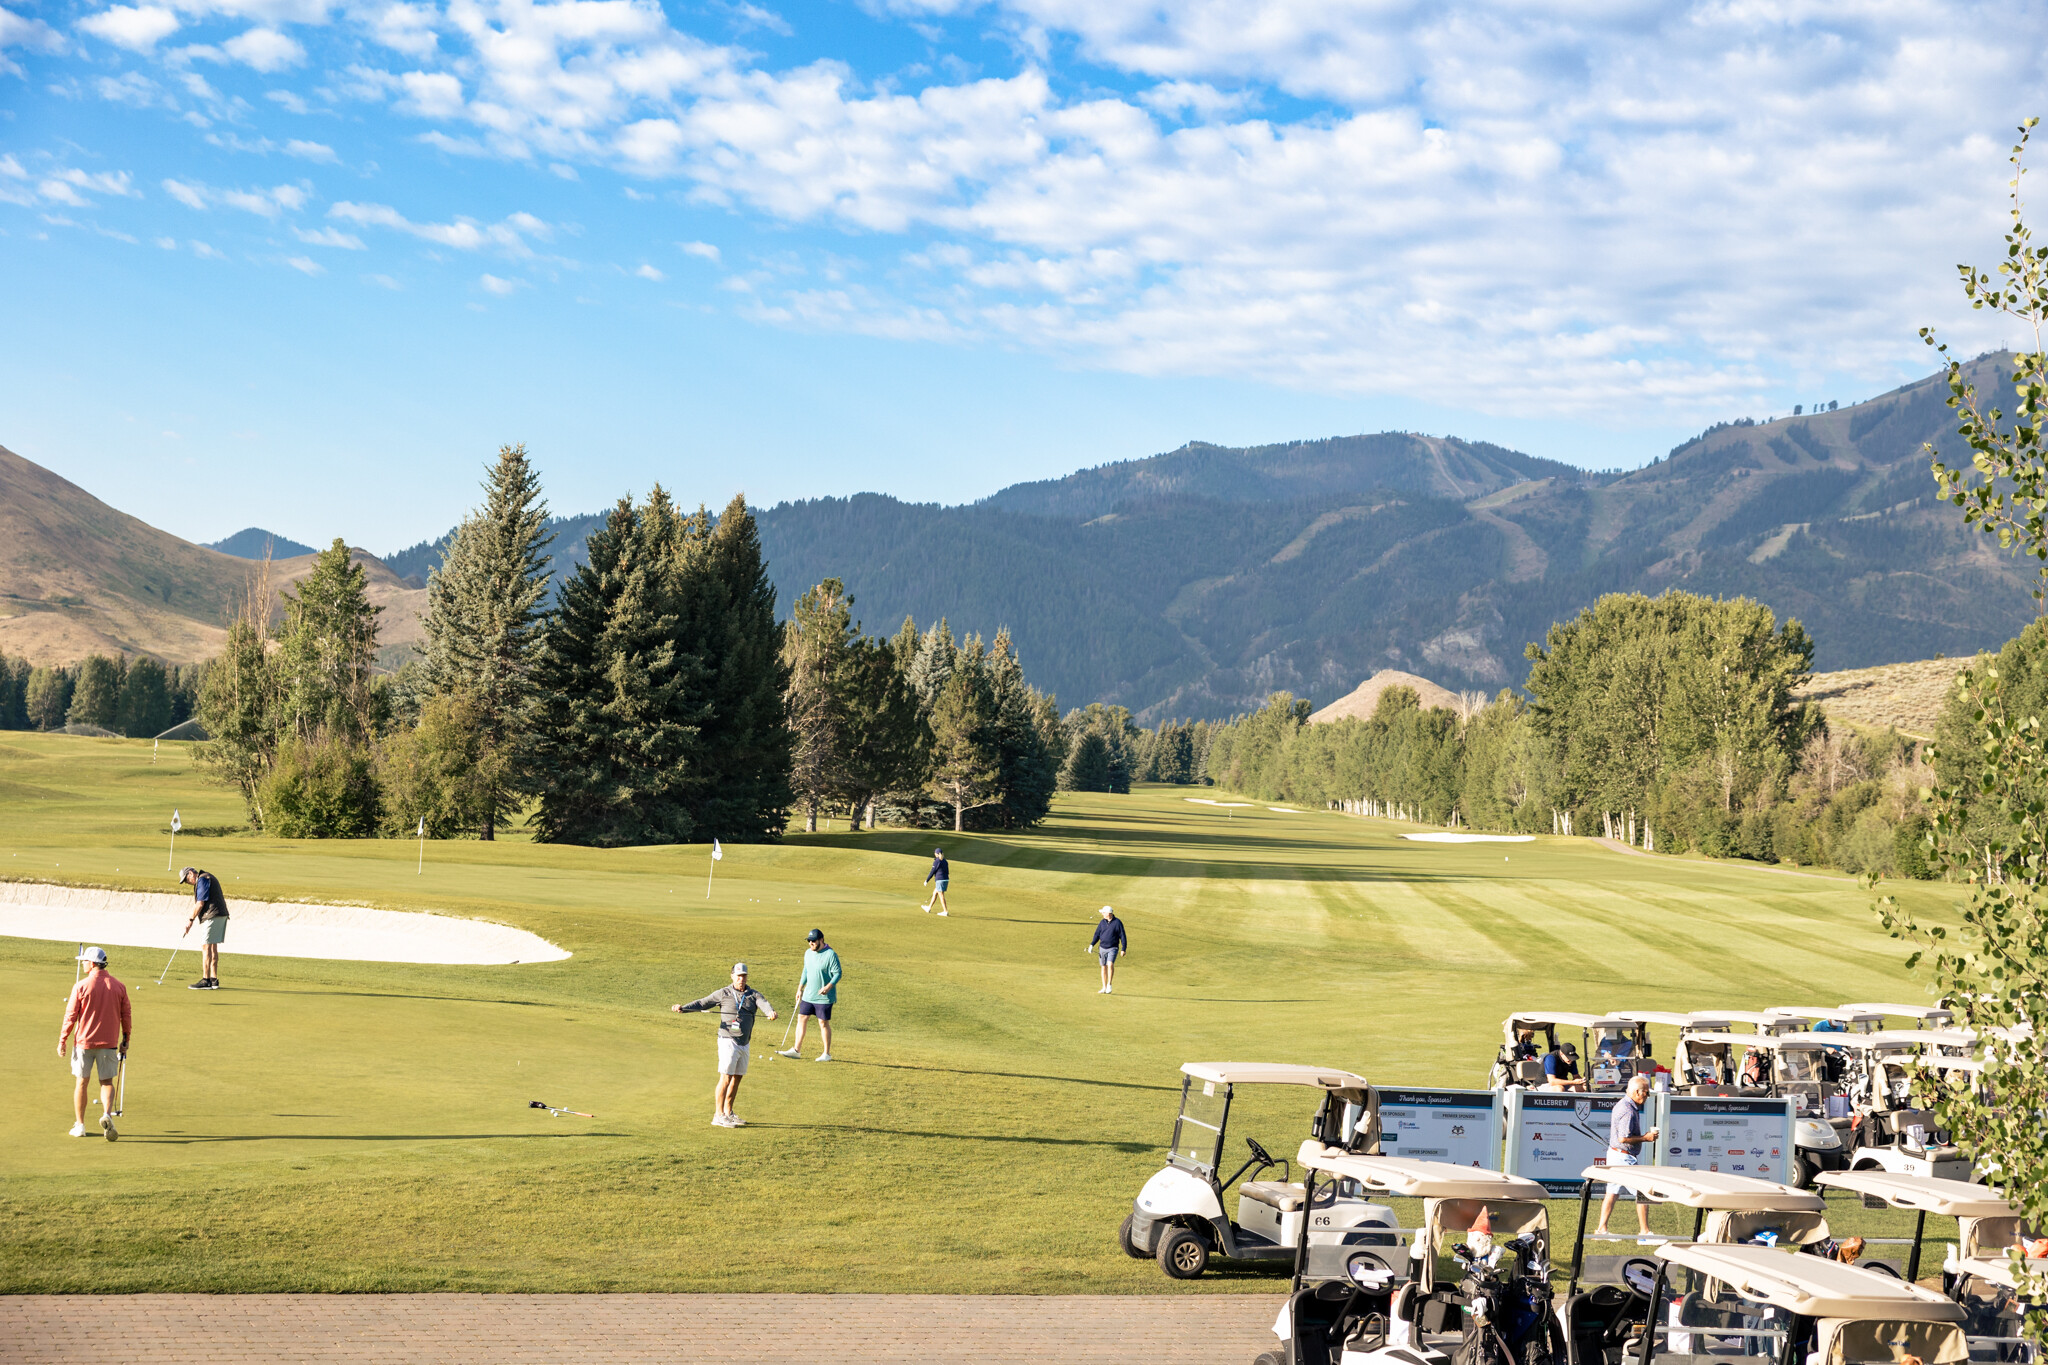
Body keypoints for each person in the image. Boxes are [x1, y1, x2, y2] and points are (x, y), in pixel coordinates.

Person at [672, 964, 777, 1127]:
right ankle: (718, 1115)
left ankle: (728, 1112)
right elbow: (702, 1003)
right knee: (726, 1077)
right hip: (728, 1040)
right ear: (732, 976)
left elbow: (764, 1004)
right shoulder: (724, 993)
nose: (741, 979)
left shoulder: (753, 994)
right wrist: (684, 1008)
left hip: (744, 1042)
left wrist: (770, 1012)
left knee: (737, 1077)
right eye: (738, 976)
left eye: (744, 976)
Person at [58, 947, 130, 1140]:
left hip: (84, 1043)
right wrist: (126, 1039)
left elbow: (71, 1016)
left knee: (81, 1082)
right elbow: (126, 1015)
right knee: (106, 1082)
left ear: (92, 963)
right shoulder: (119, 986)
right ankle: (106, 1114)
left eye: (84, 961)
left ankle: (80, 1125)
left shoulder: (80, 986)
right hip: (109, 1043)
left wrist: (63, 1039)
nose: (82, 964)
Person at [1593, 1073, 1661, 1238]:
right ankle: (1645, 1234)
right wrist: (1646, 1138)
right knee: (1643, 1192)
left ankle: (1601, 1230)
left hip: (1615, 1154)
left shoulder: (1623, 1104)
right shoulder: (1628, 1111)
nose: (1647, 1096)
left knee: (1612, 1193)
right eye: (1646, 1092)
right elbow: (1623, 1138)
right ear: (1637, 1092)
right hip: (1623, 1158)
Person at [780, 930, 841, 1062]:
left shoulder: (830, 954)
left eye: (813, 941)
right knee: (802, 1018)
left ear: (821, 940)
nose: (811, 943)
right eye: (809, 941)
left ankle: (826, 1054)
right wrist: (800, 989)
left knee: (823, 1023)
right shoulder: (808, 953)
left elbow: (838, 973)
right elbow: (806, 971)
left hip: (824, 997)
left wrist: (828, 987)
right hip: (809, 995)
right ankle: (796, 1050)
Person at [179, 865, 229, 990]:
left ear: (191, 873)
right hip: (220, 914)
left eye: (186, 880)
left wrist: (190, 920)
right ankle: (213, 979)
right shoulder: (207, 877)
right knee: (212, 946)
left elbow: (200, 904)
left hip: (213, 915)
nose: (187, 883)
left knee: (206, 946)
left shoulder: (202, 879)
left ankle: (205, 980)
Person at [1089, 906, 1128, 994]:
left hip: (1113, 948)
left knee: (1110, 964)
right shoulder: (1102, 922)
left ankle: (1109, 985)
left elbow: (1122, 936)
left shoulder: (1117, 922)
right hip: (1102, 947)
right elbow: (1097, 934)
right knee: (1103, 967)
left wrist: (1123, 948)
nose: (1102, 914)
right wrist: (1092, 945)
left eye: (1103, 912)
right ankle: (1104, 987)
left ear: (1109, 914)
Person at [922, 848, 951, 917]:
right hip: (945, 879)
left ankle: (945, 911)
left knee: (941, 895)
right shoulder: (945, 861)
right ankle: (929, 908)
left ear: (937, 854)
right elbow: (947, 872)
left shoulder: (937, 861)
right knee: (935, 893)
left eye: (935, 853)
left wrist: (927, 880)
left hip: (940, 880)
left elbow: (932, 871)